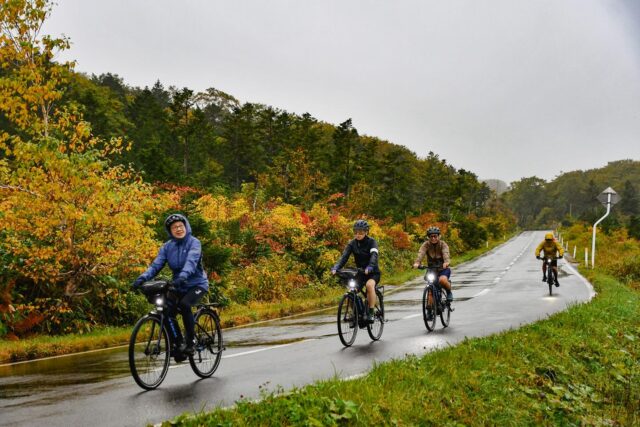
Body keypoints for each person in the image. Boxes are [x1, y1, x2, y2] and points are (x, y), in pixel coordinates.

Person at [132, 213, 208, 358]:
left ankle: (191, 342)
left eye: (180, 226)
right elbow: (156, 265)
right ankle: (178, 344)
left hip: (197, 284)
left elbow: (191, 262)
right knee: (166, 311)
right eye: (174, 227)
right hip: (178, 286)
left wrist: (183, 277)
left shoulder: (194, 243)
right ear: (170, 231)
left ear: (186, 226)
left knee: (185, 305)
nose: (178, 229)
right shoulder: (167, 247)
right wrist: (142, 278)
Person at [331, 219, 381, 323]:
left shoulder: (372, 242)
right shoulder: (352, 244)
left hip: (372, 272)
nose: (358, 235)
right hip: (360, 273)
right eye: (356, 232)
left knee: (369, 286)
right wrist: (336, 267)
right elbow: (344, 257)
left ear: (366, 232)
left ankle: (371, 313)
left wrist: (370, 266)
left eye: (361, 232)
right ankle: (355, 313)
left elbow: (374, 256)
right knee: (350, 292)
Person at [413, 226, 453, 307]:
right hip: (432, 269)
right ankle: (429, 310)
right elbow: (421, 253)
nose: (433, 238)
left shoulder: (443, 244)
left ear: (439, 236)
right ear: (428, 237)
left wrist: (446, 262)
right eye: (431, 236)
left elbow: (446, 253)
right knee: (430, 289)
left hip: (443, 268)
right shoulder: (426, 245)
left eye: (435, 236)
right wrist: (417, 263)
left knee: (442, 280)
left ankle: (449, 292)